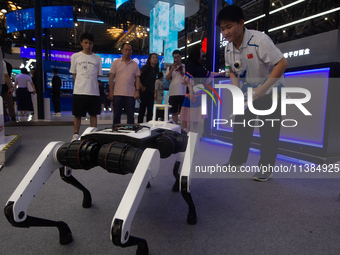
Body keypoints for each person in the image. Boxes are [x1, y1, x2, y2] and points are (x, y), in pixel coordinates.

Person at [217, 5, 288, 182]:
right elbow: (232, 71)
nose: (225, 32)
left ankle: (266, 169)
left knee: (268, 130)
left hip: (271, 87)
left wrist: (263, 90)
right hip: (249, 86)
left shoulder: (260, 40)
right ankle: (236, 160)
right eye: (222, 29)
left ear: (241, 23)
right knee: (240, 126)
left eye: (229, 27)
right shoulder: (228, 49)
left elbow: (282, 63)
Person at [69, 32, 103, 141]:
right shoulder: (75, 56)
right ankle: (75, 134)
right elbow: (74, 73)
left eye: (90, 43)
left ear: (93, 44)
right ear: (81, 43)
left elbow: (97, 74)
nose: (88, 45)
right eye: (86, 43)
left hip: (93, 91)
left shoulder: (97, 58)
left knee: (94, 114)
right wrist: (80, 83)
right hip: (79, 91)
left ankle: (93, 134)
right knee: (77, 115)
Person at [108, 43, 141, 124]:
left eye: (130, 50)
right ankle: (116, 130)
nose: (128, 52)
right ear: (122, 51)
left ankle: (130, 132)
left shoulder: (135, 64)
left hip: (130, 94)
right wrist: (111, 92)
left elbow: (137, 79)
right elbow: (111, 78)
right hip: (117, 93)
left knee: (130, 115)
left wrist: (137, 91)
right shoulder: (115, 63)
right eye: (126, 50)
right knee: (116, 115)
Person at [165, 50, 186, 124]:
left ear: (181, 57)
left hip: (182, 92)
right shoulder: (170, 67)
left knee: (183, 113)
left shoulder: (184, 66)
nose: (176, 59)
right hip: (173, 93)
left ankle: (185, 129)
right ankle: (175, 128)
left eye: (178, 57)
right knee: (173, 112)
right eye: (175, 57)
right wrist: (171, 70)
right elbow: (167, 79)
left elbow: (187, 79)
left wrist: (181, 71)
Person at [138, 53, 159, 123]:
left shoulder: (155, 69)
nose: (155, 59)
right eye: (153, 57)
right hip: (144, 91)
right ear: (149, 59)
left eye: (156, 58)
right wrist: (141, 86)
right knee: (142, 110)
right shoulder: (146, 67)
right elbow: (137, 75)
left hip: (151, 92)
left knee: (150, 110)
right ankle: (140, 124)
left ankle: (149, 126)